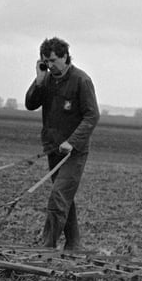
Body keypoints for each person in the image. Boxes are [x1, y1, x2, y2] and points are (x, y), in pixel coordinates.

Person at [25, 37, 99, 251]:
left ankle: (46, 247)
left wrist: (72, 142)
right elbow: (31, 104)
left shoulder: (81, 81)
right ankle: (74, 244)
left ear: (65, 56)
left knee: (59, 196)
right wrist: (39, 81)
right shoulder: (46, 79)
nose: (50, 65)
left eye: (53, 60)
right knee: (64, 196)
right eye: (45, 61)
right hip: (53, 149)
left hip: (73, 152)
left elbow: (91, 116)